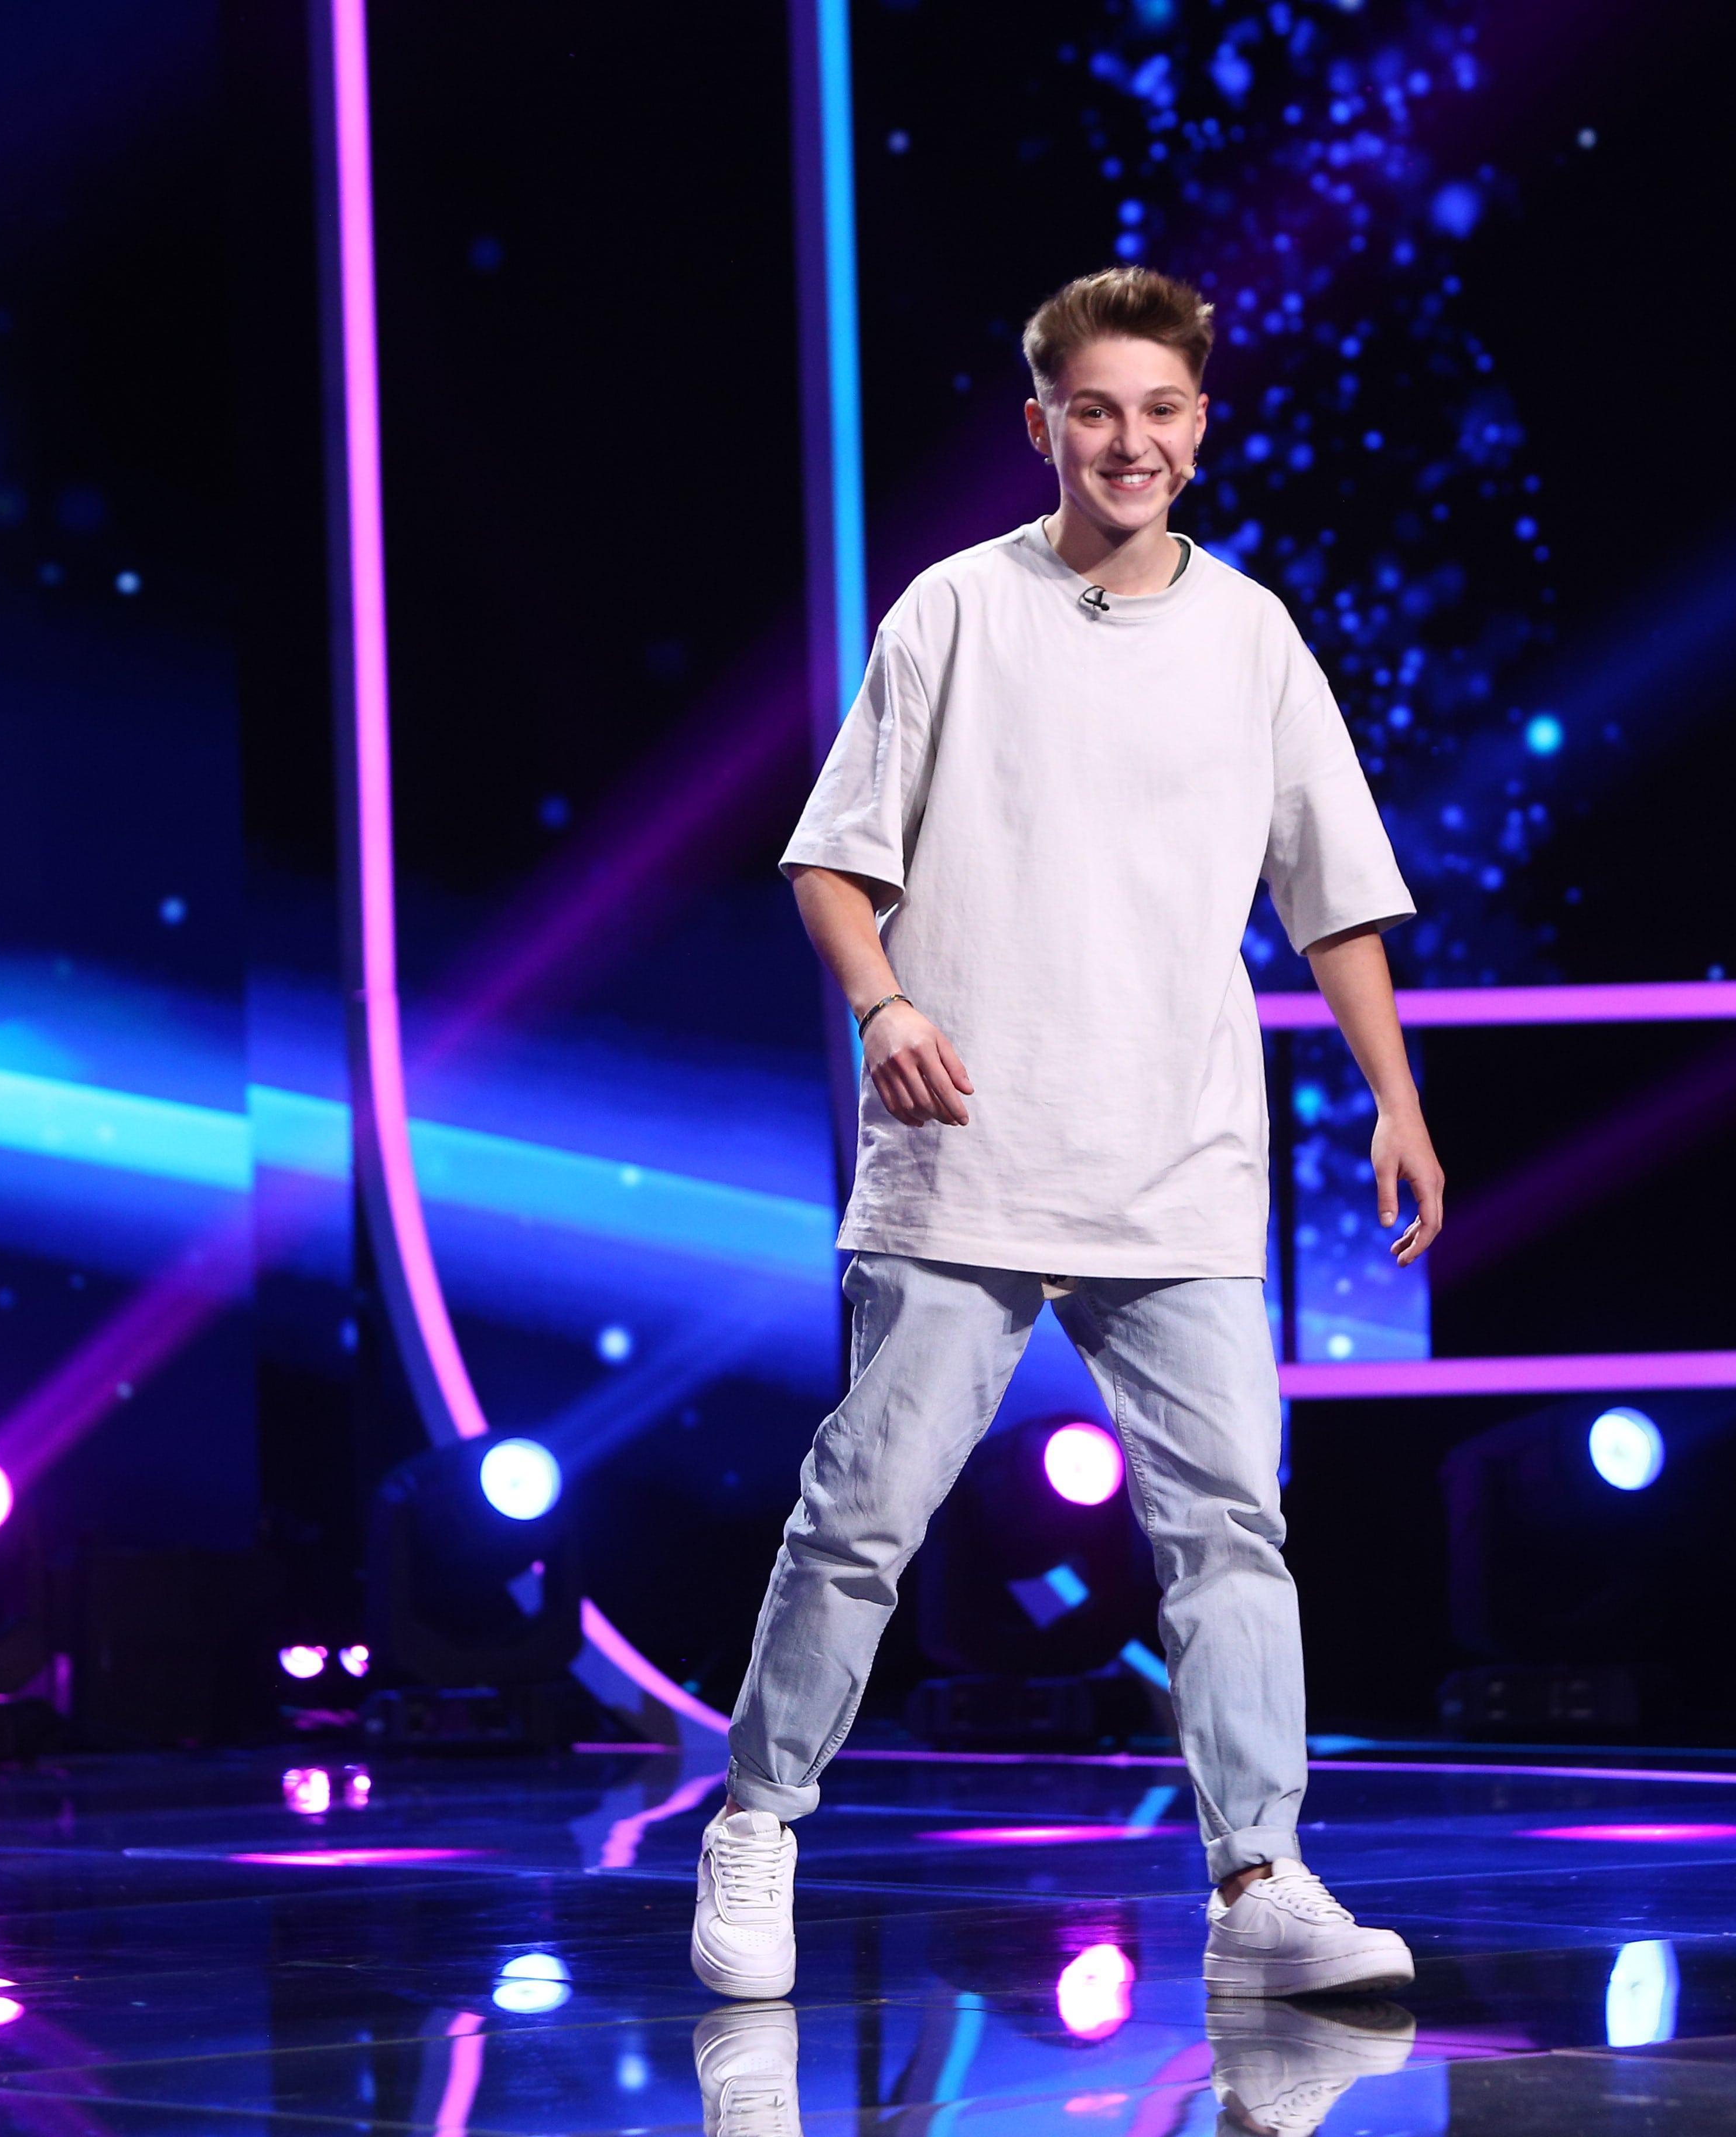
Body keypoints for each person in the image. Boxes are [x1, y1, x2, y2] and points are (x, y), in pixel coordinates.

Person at [690, 264, 1444, 2007]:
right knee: (862, 1516)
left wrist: (1397, 1100)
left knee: (1232, 1534)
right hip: (969, 1155)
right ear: (1042, 426)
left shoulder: (1252, 635)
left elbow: (1333, 895)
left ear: (1201, 425)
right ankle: (757, 1823)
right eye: (1095, 410)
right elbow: (832, 860)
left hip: (1178, 1162)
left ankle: (1260, 1881)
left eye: (1160, 410)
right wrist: (886, 1008)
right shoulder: (957, 610)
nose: (1130, 441)